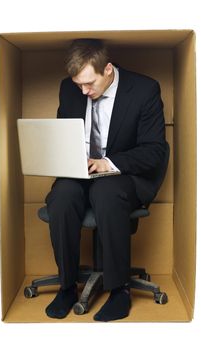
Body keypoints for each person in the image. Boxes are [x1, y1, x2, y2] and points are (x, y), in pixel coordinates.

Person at [44, 38, 169, 322]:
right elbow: (64, 136)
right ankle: (66, 287)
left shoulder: (145, 89)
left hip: (123, 176)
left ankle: (119, 290)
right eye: (79, 86)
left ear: (108, 69)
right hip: (81, 173)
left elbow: (154, 151)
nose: (84, 91)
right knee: (62, 196)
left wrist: (107, 163)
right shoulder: (70, 88)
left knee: (106, 191)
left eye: (90, 84)